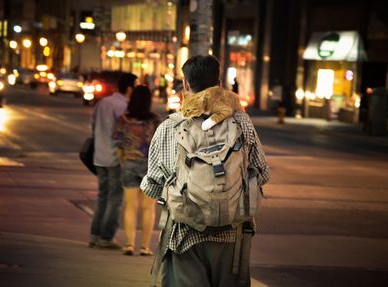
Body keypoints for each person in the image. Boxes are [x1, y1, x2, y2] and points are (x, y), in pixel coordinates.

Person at [140, 55, 270, 286]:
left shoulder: (170, 126)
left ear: (186, 85)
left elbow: (151, 185)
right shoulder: (241, 122)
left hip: (183, 234)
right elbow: (262, 173)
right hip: (232, 237)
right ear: (219, 85)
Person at [89, 72, 138, 249]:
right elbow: (123, 134)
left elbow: (92, 126)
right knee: (115, 199)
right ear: (130, 88)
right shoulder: (122, 106)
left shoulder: (103, 102)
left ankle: (94, 235)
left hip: (98, 156)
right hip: (114, 158)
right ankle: (106, 237)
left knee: (102, 196)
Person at [112, 85, 160, 256]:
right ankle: (145, 247)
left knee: (130, 206)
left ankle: (129, 245)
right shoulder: (154, 120)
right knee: (148, 207)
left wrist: (124, 160)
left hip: (129, 164)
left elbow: (117, 144)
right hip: (150, 167)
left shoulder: (123, 119)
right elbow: (160, 145)